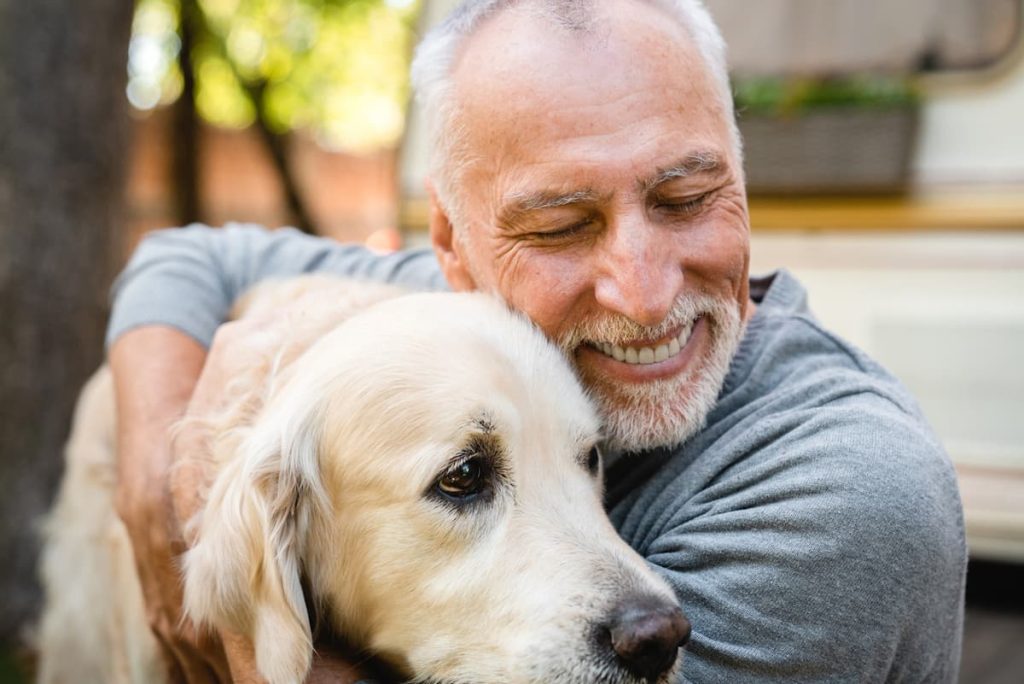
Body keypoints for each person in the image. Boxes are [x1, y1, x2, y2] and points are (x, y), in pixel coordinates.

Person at [107, 0, 967, 681]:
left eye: (686, 198)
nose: (643, 293)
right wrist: (157, 479)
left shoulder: (851, 492)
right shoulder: (470, 329)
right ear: (455, 250)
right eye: (561, 226)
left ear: (743, 183)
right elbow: (190, 256)